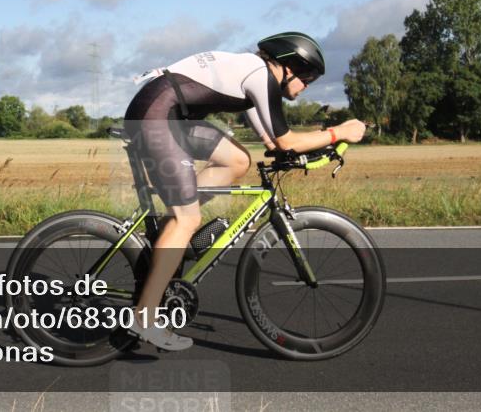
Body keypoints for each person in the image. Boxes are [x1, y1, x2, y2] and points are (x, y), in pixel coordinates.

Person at [124, 32, 367, 351]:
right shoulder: (259, 75)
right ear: (287, 66)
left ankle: (176, 227)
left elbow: (271, 137)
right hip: (157, 117)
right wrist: (339, 132)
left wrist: (288, 151)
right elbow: (287, 141)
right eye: (307, 77)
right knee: (187, 220)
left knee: (237, 160)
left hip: (165, 112)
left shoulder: (253, 75)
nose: (307, 85)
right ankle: (144, 317)